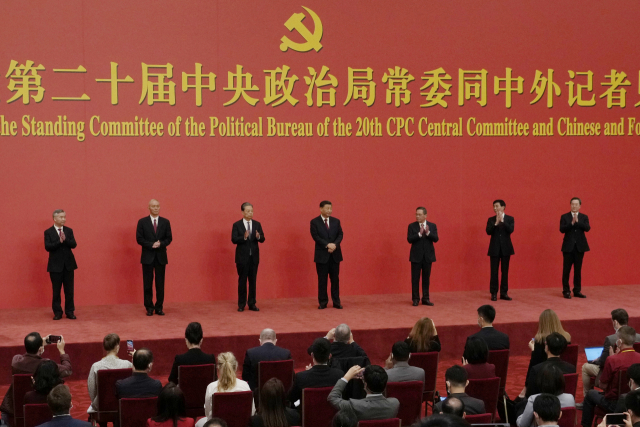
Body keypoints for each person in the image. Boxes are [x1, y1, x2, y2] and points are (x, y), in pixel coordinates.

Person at [0, 332, 71, 426]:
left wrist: (40, 345)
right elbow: (67, 370)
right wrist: (62, 351)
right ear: (41, 349)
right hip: (42, 409)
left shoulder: (16, 362)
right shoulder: (46, 366)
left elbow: (26, 357)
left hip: (13, 409)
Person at [581, 326, 640, 427]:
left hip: (613, 403)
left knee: (590, 394)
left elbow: (602, 385)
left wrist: (613, 357)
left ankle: (585, 425)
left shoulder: (612, 360)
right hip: (637, 399)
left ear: (620, 341)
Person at [581, 309, 640, 400]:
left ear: (615, 322)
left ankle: (585, 400)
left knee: (585, 367)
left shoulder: (611, 340)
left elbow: (603, 364)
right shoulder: (638, 337)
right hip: (635, 375)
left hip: (613, 384)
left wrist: (600, 360)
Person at [521, 309, 571, 397]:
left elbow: (534, 365)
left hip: (543, 382)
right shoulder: (566, 338)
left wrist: (534, 350)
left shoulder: (540, 341)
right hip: (562, 379)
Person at [136, 199, 173, 316]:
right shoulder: (142, 222)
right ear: (149, 208)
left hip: (161, 256)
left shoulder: (165, 222)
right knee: (147, 283)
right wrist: (151, 244)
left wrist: (161, 244)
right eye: (153, 206)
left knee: (160, 283)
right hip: (147, 256)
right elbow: (139, 238)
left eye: (158, 206)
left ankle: (159, 307)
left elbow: (169, 238)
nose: (156, 208)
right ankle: (149, 307)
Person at [199, 352, 255, 427]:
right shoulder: (244, 386)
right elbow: (251, 412)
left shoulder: (211, 387)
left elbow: (208, 415)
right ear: (236, 367)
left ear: (218, 368)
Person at [328, 365, 400, 420]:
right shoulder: (394, 404)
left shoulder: (354, 406)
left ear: (365, 385)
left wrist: (347, 377)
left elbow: (332, 398)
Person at [288, 338, 344, 408]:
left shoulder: (301, 377)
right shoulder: (339, 375)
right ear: (329, 356)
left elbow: (291, 399)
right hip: (334, 417)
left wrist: (307, 373)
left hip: (307, 418)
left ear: (312, 355)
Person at [232, 202, 265, 312]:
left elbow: (263, 239)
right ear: (242, 212)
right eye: (248, 211)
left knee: (253, 281)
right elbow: (234, 239)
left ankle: (252, 303)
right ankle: (241, 304)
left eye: (252, 211)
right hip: (242, 258)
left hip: (254, 258)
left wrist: (258, 236)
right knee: (242, 281)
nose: (250, 213)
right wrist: (244, 237)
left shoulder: (257, 224)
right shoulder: (237, 225)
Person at [87, 333, 134, 413]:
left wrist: (97, 402)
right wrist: (135, 359)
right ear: (117, 346)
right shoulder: (127, 364)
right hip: (122, 403)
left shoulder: (96, 366)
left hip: (101, 404)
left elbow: (92, 389)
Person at [45, 209, 78, 320]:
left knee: (69, 290)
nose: (63, 219)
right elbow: (47, 247)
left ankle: (70, 311)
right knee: (56, 291)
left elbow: (74, 244)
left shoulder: (69, 230)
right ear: (55, 218)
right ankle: (57, 312)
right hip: (55, 266)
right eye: (61, 217)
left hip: (68, 265)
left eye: (64, 217)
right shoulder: (48, 232)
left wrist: (66, 240)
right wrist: (59, 241)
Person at [310, 200, 343, 309]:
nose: (329, 210)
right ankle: (323, 302)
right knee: (322, 280)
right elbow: (315, 236)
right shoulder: (314, 222)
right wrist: (327, 245)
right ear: (321, 209)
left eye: (331, 208)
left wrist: (334, 245)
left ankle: (336, 302)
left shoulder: (336, 221)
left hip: (335, 255)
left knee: (335, 280)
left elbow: (340, 235)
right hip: (321, 256)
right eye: (327, 208)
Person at [525, 332, 576, 398]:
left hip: (542, 404)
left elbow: (530, 395)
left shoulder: (536, 369)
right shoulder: (571, 368)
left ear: (547, 347)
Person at [407, 207, 439, 306]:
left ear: (425, 215)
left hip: (428, 256)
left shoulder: (432, 226)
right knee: (415, 279)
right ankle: (415, 299)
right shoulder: (412, 226)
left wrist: (428, 233)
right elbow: (409, 239)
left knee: (426, 278)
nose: (417, 216)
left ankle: (425, 298)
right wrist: (419, 234)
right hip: (416, 256)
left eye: (420, 214)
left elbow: (436, 239)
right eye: (416, 214)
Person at [560, 197, 590, 299]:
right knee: (566, 270)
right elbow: (562, 229)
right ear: (570, 205)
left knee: (578, 270)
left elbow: (587, 228)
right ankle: (566, 291)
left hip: (580, 247)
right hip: (568, 247)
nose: (574, 206)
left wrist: (578, 222)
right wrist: (571, 223)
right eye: (572, 204)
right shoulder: (564, 216)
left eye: (576, 204)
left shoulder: (584, 217)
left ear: (580, 206)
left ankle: (577, 290)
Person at [486, 199, 514, 301]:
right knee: (494, 272)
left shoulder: (510, 219)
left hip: (506, 249)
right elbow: (488, 232)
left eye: (497, 206)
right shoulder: (491, 219)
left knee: (505, 272)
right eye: (494, 206)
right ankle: (493, 293)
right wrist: (496, 223)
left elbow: (510, 230)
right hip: (494, 248)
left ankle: (504, 293)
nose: (495, 208)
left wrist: (502, 221)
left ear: (503, 207)